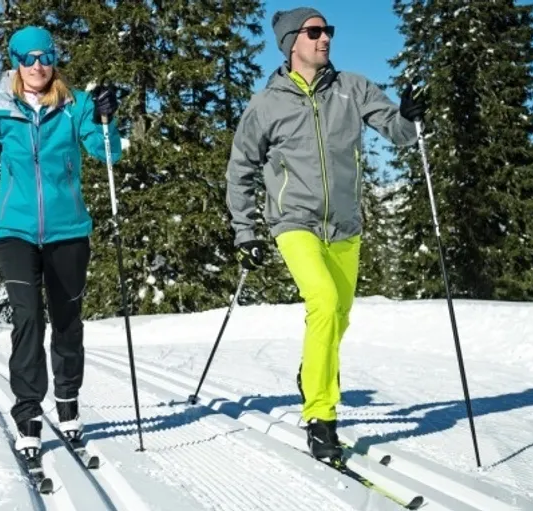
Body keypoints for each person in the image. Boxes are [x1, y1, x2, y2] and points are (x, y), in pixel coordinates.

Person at [224, 7, 426, 461]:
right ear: (291, 42)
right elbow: (241, 169)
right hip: (294, 222)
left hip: (346, 225)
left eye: (328, 31)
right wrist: (245, 232)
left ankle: (311, 372)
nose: (325, 38)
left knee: (339, 318)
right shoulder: (266, 103)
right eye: (315, 32)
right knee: (324, 302)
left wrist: (410, 119)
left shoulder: (352, 89)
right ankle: (320, 417)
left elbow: (398, 132)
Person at [0, 25, 122, 460]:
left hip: (68, 229)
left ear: (54, 58)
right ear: (15, 61)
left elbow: (108, 154)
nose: (37, 66)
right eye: (27, 58)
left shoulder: (75, 105)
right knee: (28, 319)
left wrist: (107, 117)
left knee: (67, 321)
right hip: (13, 230)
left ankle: (68, 403)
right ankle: (28, 413)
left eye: (44, 57)